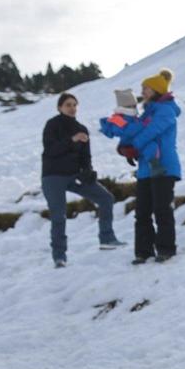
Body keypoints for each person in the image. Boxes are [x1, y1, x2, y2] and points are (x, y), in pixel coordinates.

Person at [99, 68, 182, 264]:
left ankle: (166, 249)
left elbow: (150, 133)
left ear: (155, 90)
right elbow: (133, 132)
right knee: (142, 212)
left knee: (162, 209)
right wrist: (123, 148)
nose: (142, 91)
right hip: (146, 169)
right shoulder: (145, 113)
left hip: (164, 167)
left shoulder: (166, 110)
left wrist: (133, 147)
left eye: (146, 88)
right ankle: (143, 252)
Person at [40, 91, 120, 267]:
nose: (72, 108)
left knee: (106, 198)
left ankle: (107, 239)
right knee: (59, 216)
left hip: (75, 175)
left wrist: (88, 171)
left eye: (74, 105)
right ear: (60, 107)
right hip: (53, 176)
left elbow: (86, 157)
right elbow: (51, 150)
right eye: (68, 105)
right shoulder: (52, 125)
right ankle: (59, 257)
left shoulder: (82, 129)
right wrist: (72, 140)